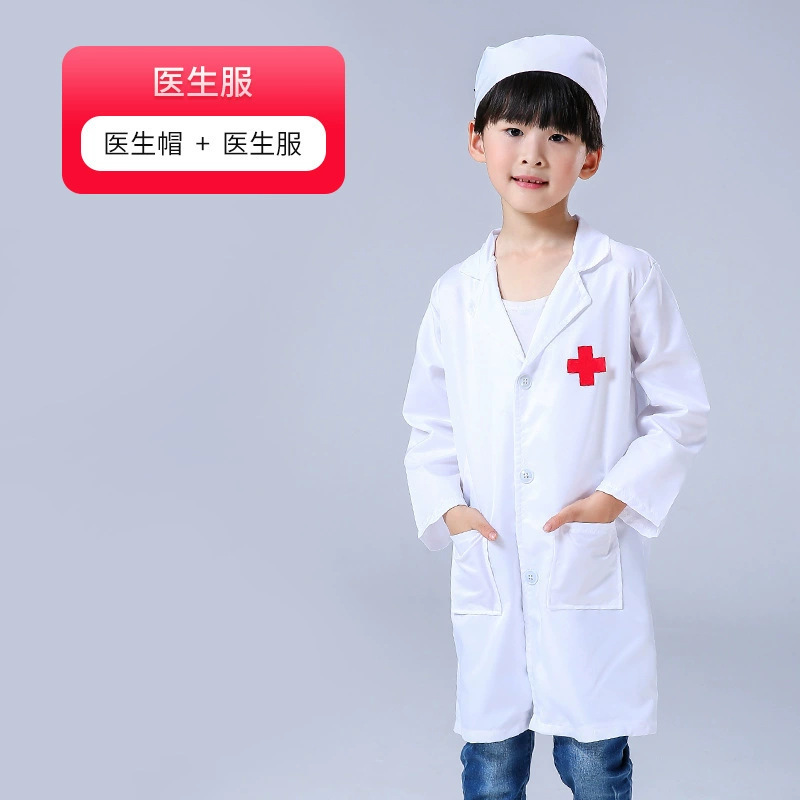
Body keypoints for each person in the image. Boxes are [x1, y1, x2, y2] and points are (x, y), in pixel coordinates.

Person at [401, 34, 711, 800]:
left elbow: (681, 409)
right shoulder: (455, 294)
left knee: (594, 759)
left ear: (590, 158)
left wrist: (614, 500)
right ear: (477, 140)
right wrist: (450, 511)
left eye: (559, 136)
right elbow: (429, 424)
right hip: (494, 556)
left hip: (583, 556)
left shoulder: (625, 277)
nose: (533, 153)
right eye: (513, 129)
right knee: (491, 762)